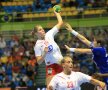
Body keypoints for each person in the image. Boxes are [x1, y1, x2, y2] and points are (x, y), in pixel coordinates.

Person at [64, 23, 108, 89]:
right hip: (103, 74)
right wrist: (72, 30)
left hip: (105, 74)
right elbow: (84, 39)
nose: (93, 42)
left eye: (94, 41)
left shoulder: (99, 50)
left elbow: (83, 51)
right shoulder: (99, 49)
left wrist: (70, 49)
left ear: (98, 43)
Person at [33, 7, 63, 86]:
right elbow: (39, 62)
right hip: (50, 66)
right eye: (40, 30)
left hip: (61, 63)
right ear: (36, 33)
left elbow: (60, 23)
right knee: (49, 87)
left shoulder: (49, 34)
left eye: (42, 29)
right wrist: (44, 53)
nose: (42, 30)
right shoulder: (37, 45)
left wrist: (57, 14)